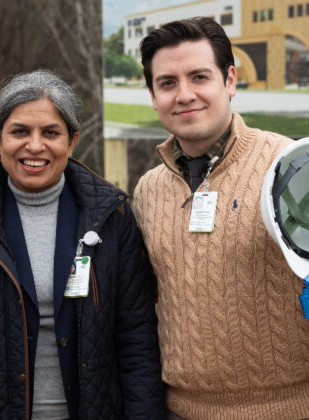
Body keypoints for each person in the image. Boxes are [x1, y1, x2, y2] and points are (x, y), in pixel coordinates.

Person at [0, 69, 164, 419]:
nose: (34, 146)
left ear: (71, 141)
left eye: (51, 133)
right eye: (19, 131)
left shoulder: (111, 216)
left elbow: (136, 340)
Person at [133, 16, 309, 419]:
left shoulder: (291, 168)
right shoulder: (147, 191)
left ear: (229, 81)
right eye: (168, 83)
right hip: (179, 411)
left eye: (199, 77)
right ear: (152, 94)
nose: (185, 94)